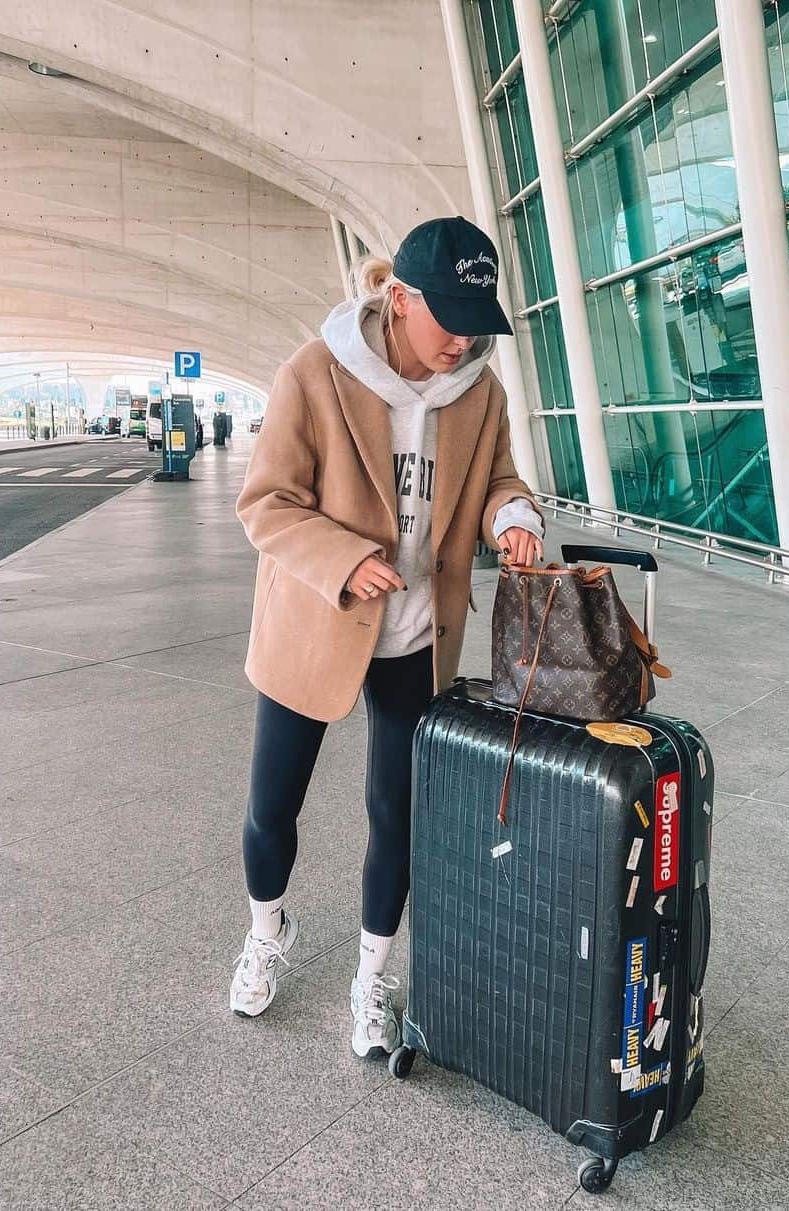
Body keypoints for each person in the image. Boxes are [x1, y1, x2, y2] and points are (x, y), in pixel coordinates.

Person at [232, 216, 544, 1057]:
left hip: (415, 633)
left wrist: (512, 515)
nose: (463, 339)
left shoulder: (480, 393)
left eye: (477, 319)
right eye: (448, 315)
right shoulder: (315, 373)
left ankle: (373, 973)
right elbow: (266, 503)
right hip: (317, 620)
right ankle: (267, 931)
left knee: (397, 814)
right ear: (399, 298)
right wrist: (345, 559)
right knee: (273, 807)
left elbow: (501, 477)